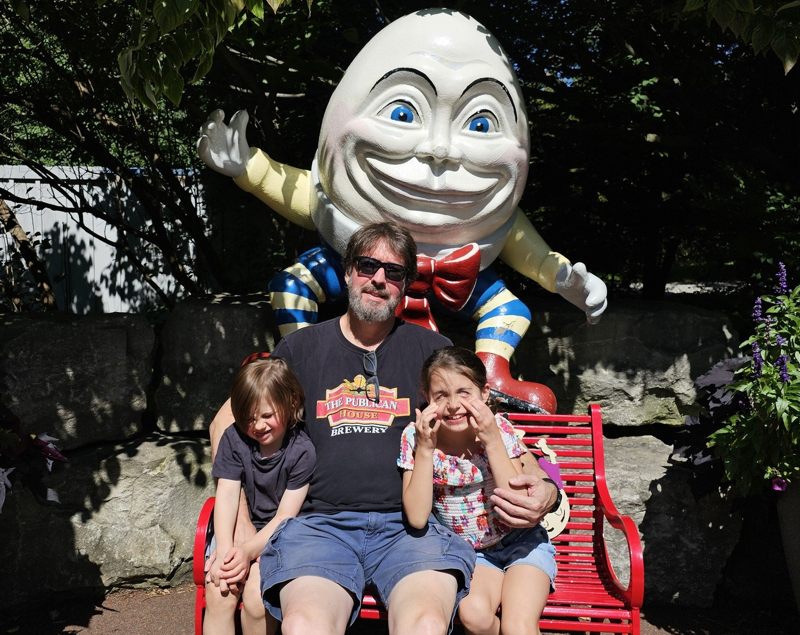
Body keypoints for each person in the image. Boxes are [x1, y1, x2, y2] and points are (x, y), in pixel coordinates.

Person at [208, 221, 560, 635]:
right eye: (367, 265)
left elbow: (490, 427)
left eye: (393, 272)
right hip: (320, 527)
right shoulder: (300, 349)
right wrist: (242, 522)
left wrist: (545, 486)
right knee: (305, 625)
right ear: (347, 272)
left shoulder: (432, 352)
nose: (378, 279)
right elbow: (224, 424)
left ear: (406, 284)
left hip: (411, 531)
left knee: (426, 626)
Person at [399, 346, 559, 635]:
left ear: (485, 392)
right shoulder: (416, 437)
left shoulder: (499, 429)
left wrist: (492, 440)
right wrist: (425, 448)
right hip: (475, 554)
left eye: (464, 392)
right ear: (426, 399)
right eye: (440, 395)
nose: (453, 405)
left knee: (518, 627)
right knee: (474, 617)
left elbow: (520, 502)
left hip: (522, 542)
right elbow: (417, 517)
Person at [205, 357, 315, 635]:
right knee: (220, 591)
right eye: (249, 418)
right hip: (239, 535)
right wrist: (225, 553)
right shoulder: (234, 439)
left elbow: (286, 516)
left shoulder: (302, 451)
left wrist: (247, 552)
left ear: (291, 403)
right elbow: (227, 494)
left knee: (256, 600)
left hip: (281, 537)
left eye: (267, 416)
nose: (258, 426)